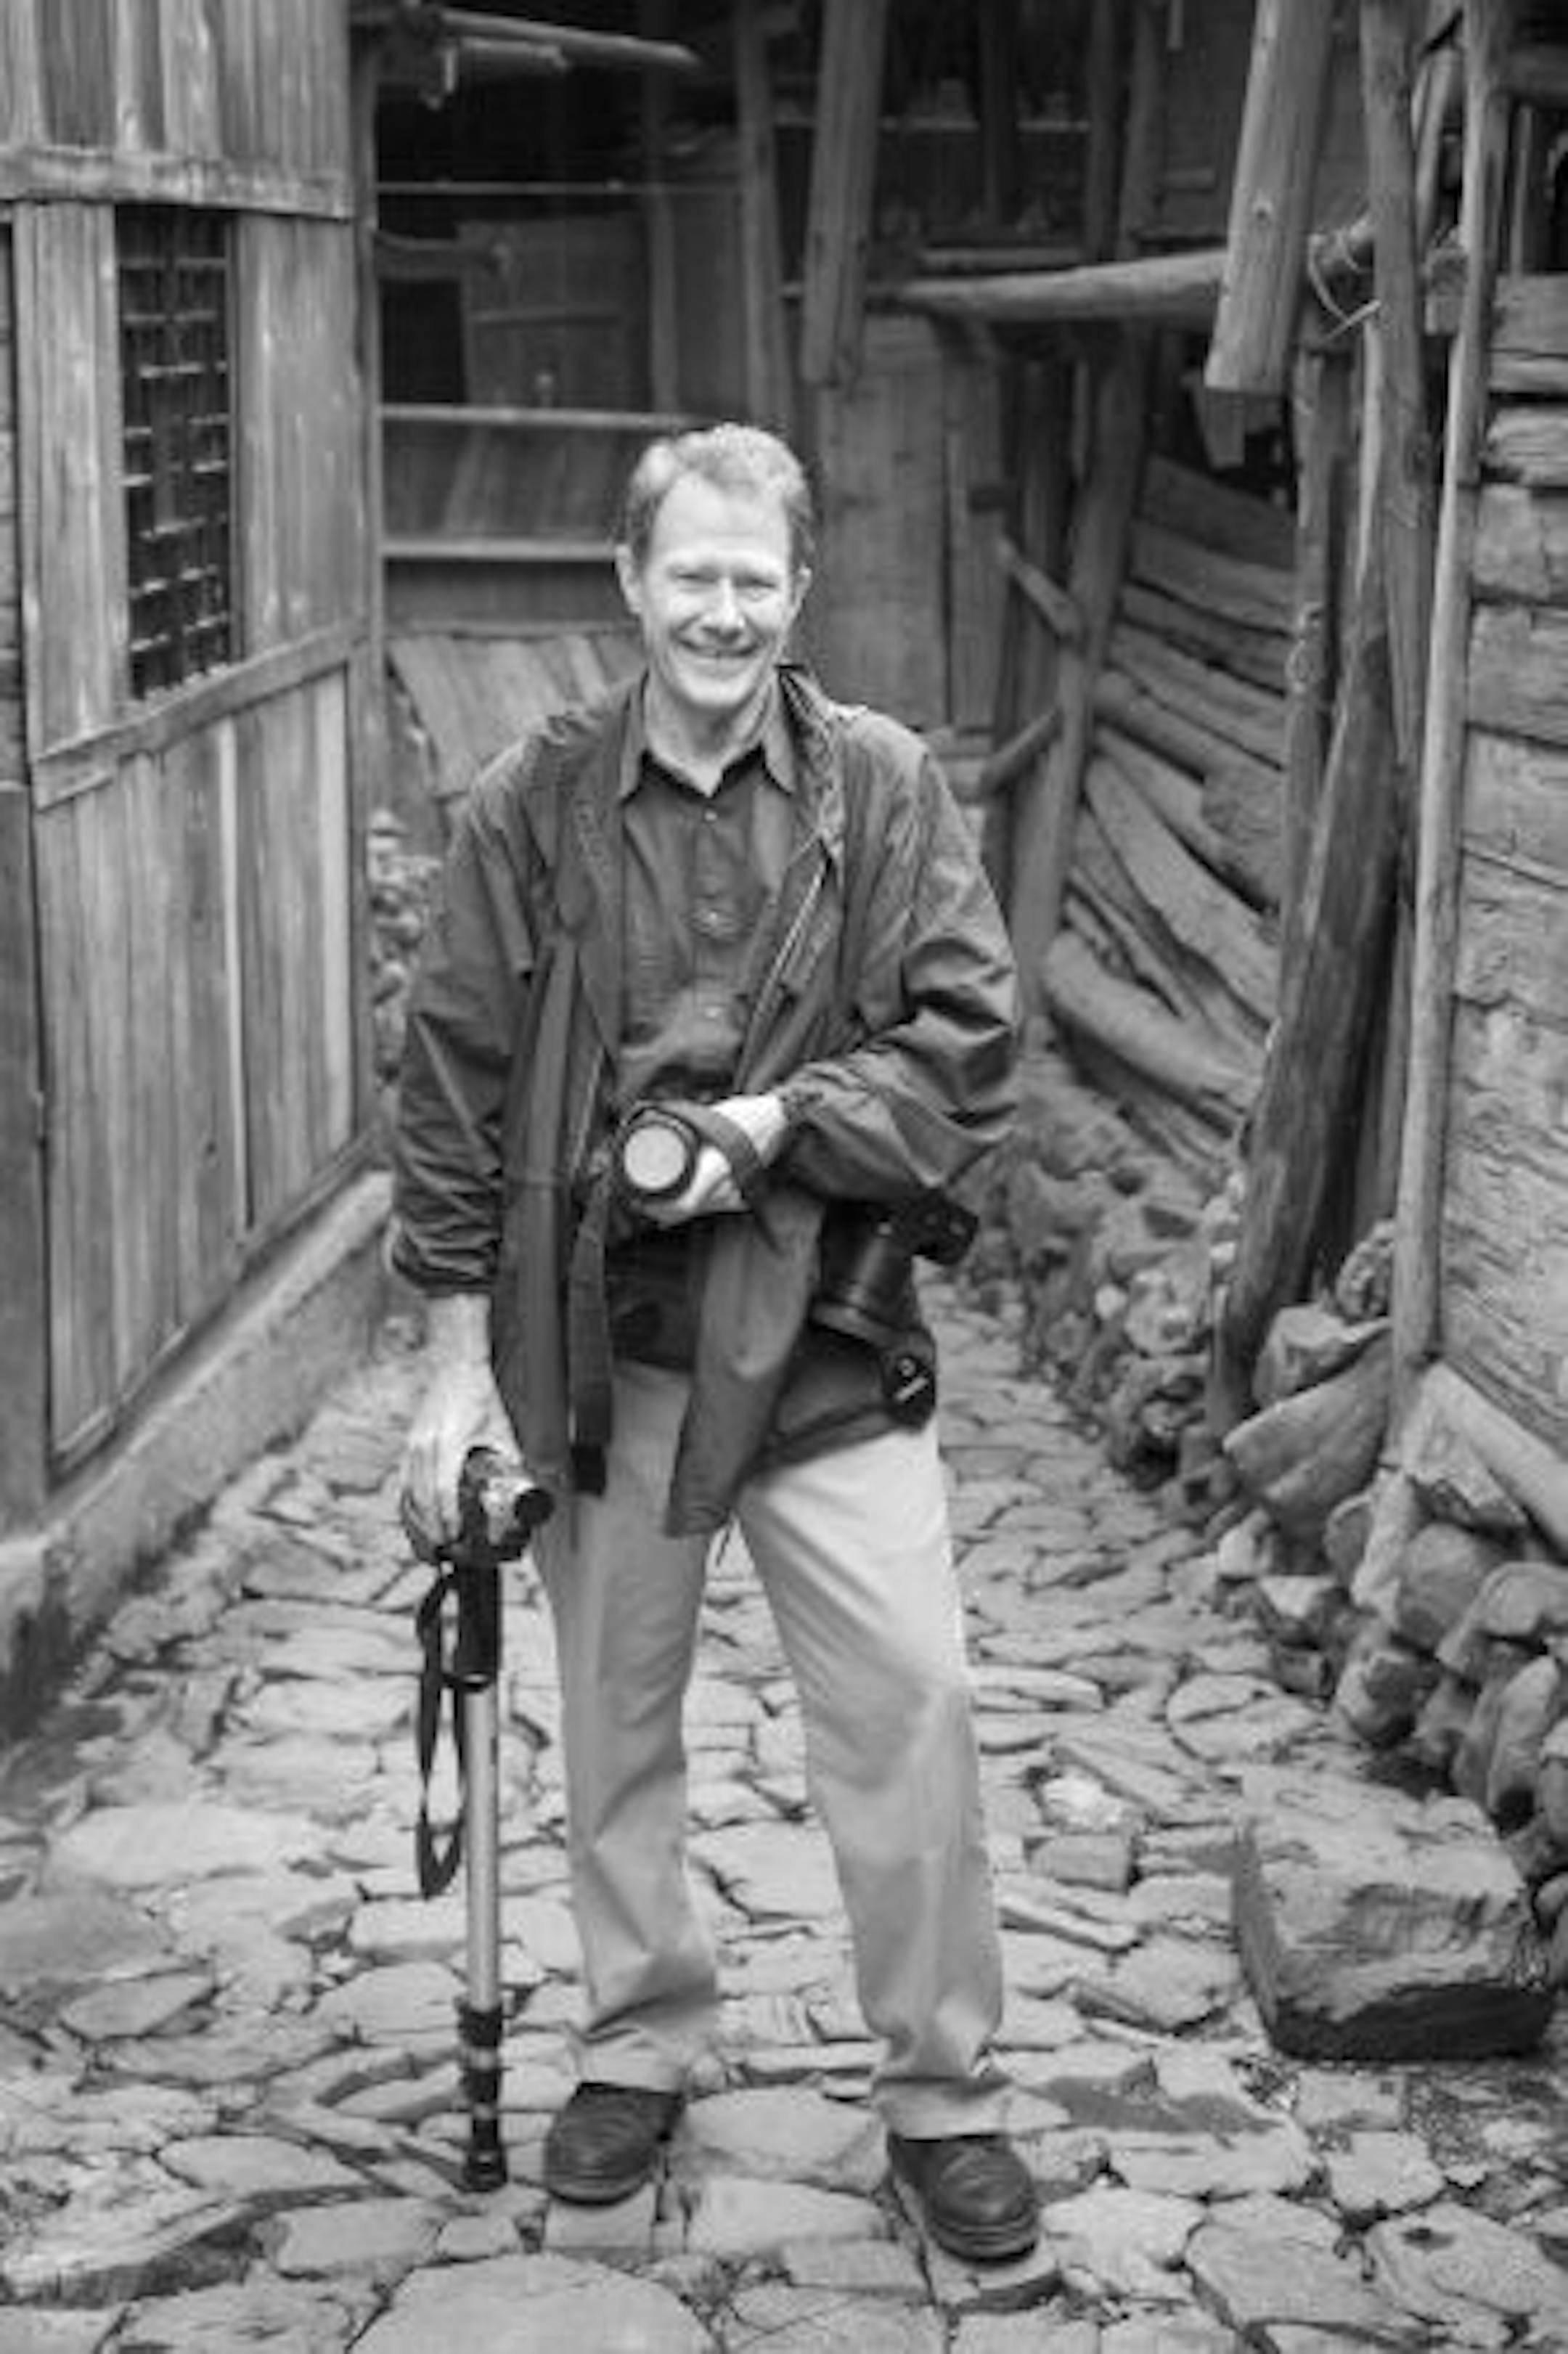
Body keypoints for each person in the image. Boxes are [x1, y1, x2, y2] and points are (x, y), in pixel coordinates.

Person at [391, 422, 1037, 2264]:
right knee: (615, 1726)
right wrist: (455, 1374)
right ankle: (640, 2037)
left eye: (759, 578)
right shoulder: (534, 800)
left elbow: (968, 1055)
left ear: (799, 592)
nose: (727, 610)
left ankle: (940, 2095)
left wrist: (775, 1129)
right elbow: (451, 1083)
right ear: (631, 583)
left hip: (826, 1345)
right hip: (610, 1350)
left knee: (910, 1707)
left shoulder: (885, 789)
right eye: (695, 575)